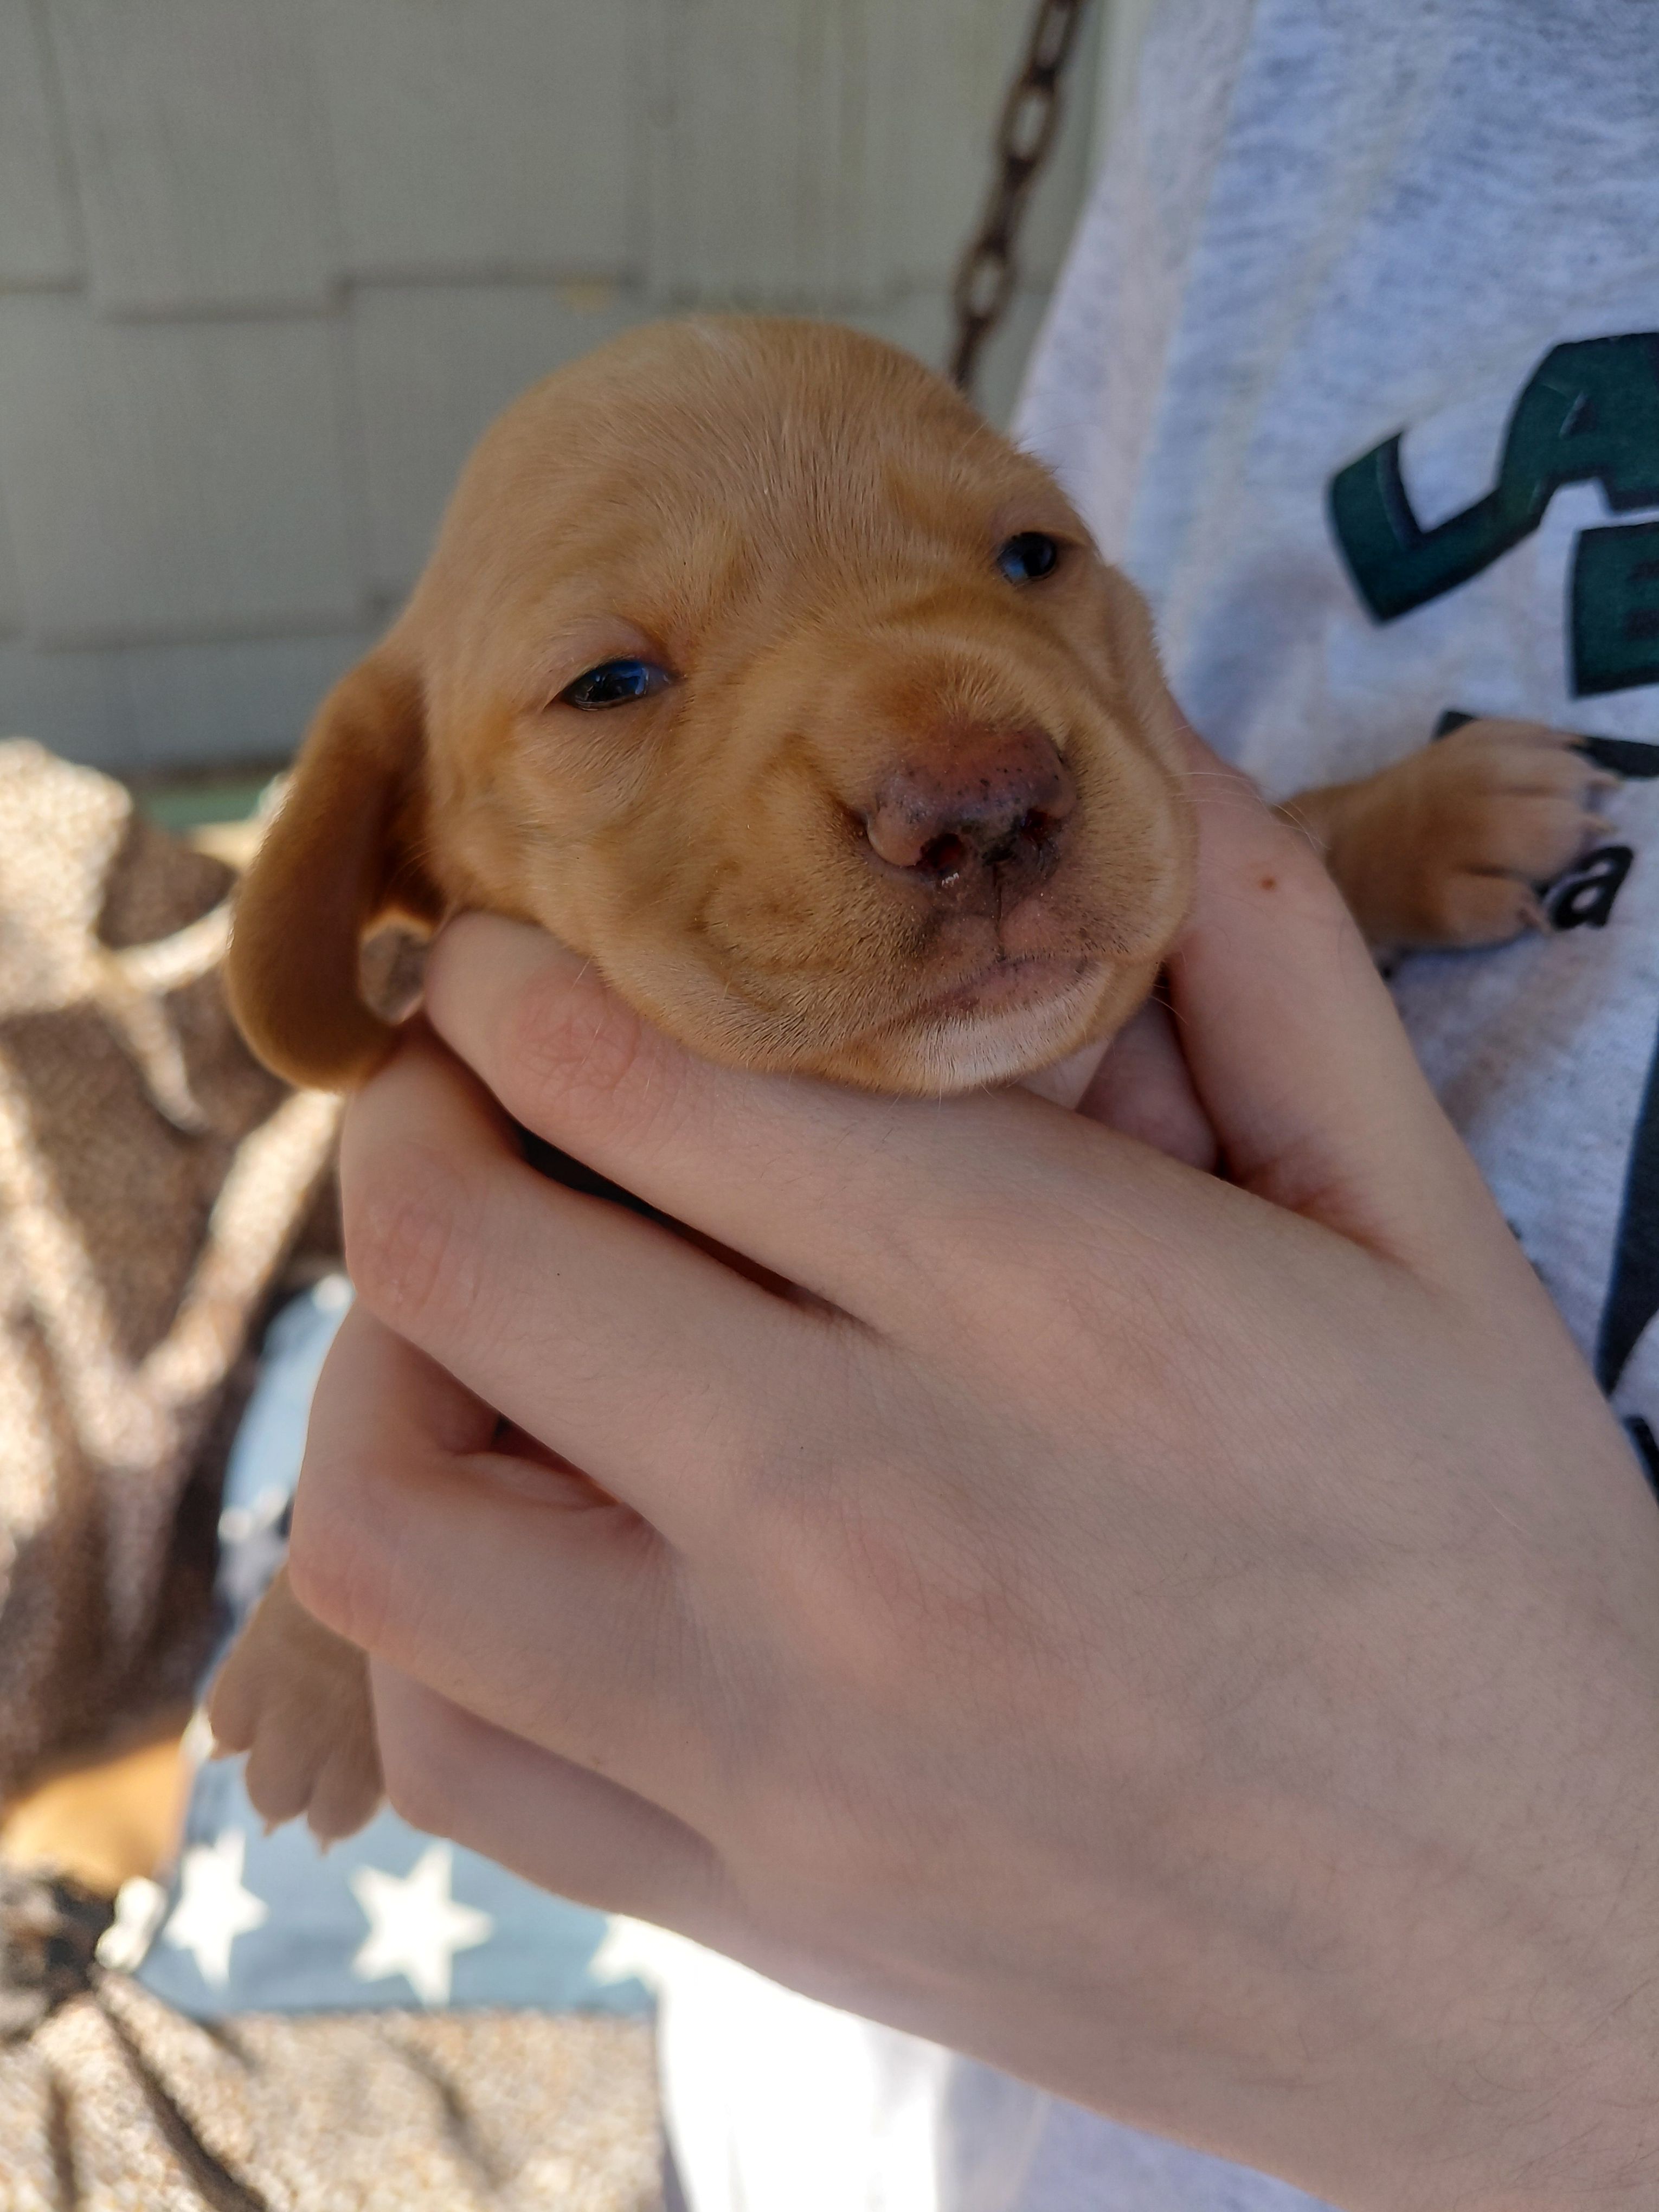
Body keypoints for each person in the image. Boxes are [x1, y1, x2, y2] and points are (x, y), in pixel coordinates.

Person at [285, 1, 1659, 2203]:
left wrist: (1600, 2014)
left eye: (1022, 563)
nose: (972, 765)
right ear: (392, 856)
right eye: (620, 680)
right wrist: (330, 1614)